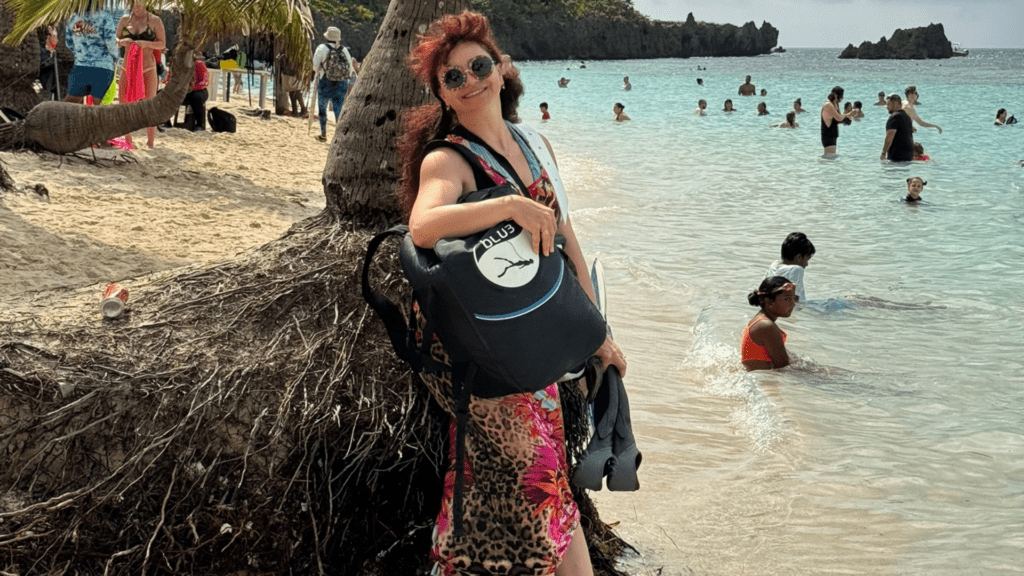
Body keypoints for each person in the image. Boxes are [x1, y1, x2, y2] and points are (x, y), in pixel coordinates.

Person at [398, 10, 626, 574]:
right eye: (453, 77)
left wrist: (598, 335)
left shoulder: (534, 144)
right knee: (541, 482)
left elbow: (567, 238)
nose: (470, 80)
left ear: (501, 70)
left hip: (536, 342)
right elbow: (422, 226)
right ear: (444, 95)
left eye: (479, 66)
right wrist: (510, 206)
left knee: (538, 487)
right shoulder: (447, 158)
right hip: (488, 351)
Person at [116, 1, 166, 149]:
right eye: (134, 4)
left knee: (149, 106)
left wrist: (147, 44)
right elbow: (115, 40)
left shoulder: (155, 20)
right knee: (123, 105)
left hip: (147, 68)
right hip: (127, 67)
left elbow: (162, 44)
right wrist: (121, 42)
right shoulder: (124, 20)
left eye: (139, 4)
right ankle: (128, 139)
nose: (137, 7)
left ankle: (150, 142)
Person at [65, 4, 119, 105]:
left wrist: (81, 54)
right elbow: (111, 44)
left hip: (81, 67)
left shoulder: (73, 18)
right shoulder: (105, 17)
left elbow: (69, 43)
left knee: (71, 105)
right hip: (103, 67)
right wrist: (115, 59)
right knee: (99, 106)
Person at [313, 26, 359, 142]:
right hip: (341, 83)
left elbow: (315, 66)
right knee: (338, 109)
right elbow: (350, 69)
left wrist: (321, 71)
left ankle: (323, 134)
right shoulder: (344, 50)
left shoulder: (321, 48)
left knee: (322, 109)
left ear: (327, 37)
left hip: (325, 81)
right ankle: (338, 136)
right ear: (338, 39)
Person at [741, 276, 797, 371]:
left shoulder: (759, 321)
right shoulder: (766, 326)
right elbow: (784, 366)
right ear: (769, 302)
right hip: (762, 379)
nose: (793, 304)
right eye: (787, 299)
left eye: (794, 299)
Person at [764, 232, 814, 304]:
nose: (807, 264)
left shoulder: (774, 265)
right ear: (799, 257)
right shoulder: (797, 269)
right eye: (807, 260)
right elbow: (796, 300)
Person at [820, 85, 853, 156]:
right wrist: (846, 114)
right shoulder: (828, 105)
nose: (842, 98)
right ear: (836, 95)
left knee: (832, 159)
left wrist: (846, 119)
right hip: (828, 135)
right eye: (841, 96)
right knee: (829, 159)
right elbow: (838, 117)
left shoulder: (835, 104)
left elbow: (838, 119)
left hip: (833, 134)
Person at [881, 93, 914, 162]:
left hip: (897, 155)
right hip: (909, 155)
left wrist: (883, 153)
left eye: (888, 104)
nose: (886, 107)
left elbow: (890, 136)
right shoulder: (907, 117)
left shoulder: (894, 117)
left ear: (896, 104)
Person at [181, 55, 209, 131]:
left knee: (196, 97)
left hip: (199, 90)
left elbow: (204, 81)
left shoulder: (199, 64)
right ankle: (166, 122)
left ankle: (200, 124)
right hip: (183, 91)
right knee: (163, 94)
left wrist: (193, 88)